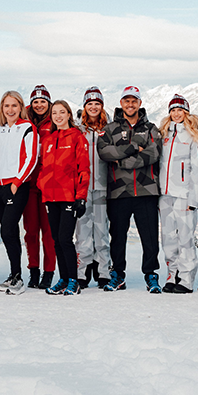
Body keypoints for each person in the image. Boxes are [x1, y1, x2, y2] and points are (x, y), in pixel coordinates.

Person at [97, 85, 163, 293]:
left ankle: (151, 274)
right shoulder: (110, 129)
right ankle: (117, 275)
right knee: (118, 236)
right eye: (127, 100)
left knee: (150, 236)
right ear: (121, 103)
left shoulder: (151, 128)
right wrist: (134, 148)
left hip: (146, 191)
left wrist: (124, 162)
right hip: (118, 191)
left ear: (140, 103)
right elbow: (105, 152)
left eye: (134, 100)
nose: (130, 104)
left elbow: (154, 153)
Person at [36, 100, 90, 296]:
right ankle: (63, 278)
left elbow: (84, 169)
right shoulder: (49, 139)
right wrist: (42, 185)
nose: (58, 116)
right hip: (50, 197)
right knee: (56, 239)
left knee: (66, 239)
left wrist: (81, 196)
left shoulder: (77, 137)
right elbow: (43, 167)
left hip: (69, 196)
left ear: (69, 114)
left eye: (62, 112)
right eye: (54, 113)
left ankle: (73, 281)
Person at [0, 91, 39, 295]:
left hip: (16, 186)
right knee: (8, 232)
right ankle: (13, 274)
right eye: (6, 106)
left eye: (14, 106)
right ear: (2, 108)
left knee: (7, 229)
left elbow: (32, 158)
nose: (10, 110)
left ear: (21, 108)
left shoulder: (27, 129)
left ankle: (17, 277)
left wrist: (17, 182)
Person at [158, 95, 198, 294]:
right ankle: (171, 274)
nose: (176, 114)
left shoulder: (194, 135)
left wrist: (193, 198)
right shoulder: (163, 134)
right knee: (168, 238)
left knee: (185, 238)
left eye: (180, 110)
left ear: (187, 112)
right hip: (164, 194)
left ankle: (186, 279)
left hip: (184, 195)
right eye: (173, 110)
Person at [75, 87, 112, 289]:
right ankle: (82, 270)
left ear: (102, 106)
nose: (94, 107)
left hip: (104, 185)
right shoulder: (79, 130)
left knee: (101, 230)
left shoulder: (109, 129)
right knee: (82, 230)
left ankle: (103, 270)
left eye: (97, 104)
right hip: (83, 187)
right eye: (90, 104)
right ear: (84, 107)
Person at [22, 84, 57, 290]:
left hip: (49, 184)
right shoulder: (24, 121)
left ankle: (49, 272)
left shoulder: (53, 122)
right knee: (31, 231)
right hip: (28, 183)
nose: (39, 105)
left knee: (49, 232)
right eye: (36, 102)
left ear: (48, 103)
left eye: (43, 101)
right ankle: (33, 270)